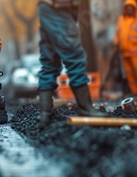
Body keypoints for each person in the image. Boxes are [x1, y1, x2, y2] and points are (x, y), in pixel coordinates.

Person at [37, 0, 108, 128]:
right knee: (74, 56)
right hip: (57, 6)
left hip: (49, 6)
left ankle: (45, 114)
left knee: (50, 60)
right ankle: (86, 108)